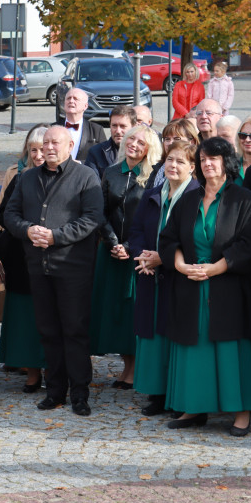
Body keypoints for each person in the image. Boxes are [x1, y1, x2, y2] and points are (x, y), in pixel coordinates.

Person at [159, 137, 251, 434]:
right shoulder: (188, 199)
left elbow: (250, 244)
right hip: (190, 283)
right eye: (203, 159)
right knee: (195, 349)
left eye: (213, 158)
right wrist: (180, 265)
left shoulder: (243, 199)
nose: (207, 164)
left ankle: (241, 412)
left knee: (231, 350)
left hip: (228, 285)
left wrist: (216, 268)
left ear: (226, 162)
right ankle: (194, 407)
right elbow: (168, 238)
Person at [5, 126, 104, 416]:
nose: (49, 147)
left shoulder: (86, 176)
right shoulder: (27, 178)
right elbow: (10, 214)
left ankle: (80, 393)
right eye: (45, 142)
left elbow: (92, 219)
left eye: (55, 142)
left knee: (74, 331)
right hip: (38, 266)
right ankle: (55, 391)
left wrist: (55, 236)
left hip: (73, 268)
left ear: (70, 145)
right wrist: (28, 230)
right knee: (48, 331)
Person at [129, 141, 199, 416]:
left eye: (181, 161)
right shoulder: (153, 193)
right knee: (152, 336)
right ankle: (156, 393)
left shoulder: (197, 195)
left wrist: (164, 258)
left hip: (179, 277)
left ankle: (175, 395)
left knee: (174, 334)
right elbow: (136, 230)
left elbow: (195, 238)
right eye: (170, 159)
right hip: (150, 274)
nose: (173, 165)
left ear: (192, 167)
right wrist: (142, 256)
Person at [90, 125, 161, 388]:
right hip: (110, 251)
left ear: (149, 148)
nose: (134, 144)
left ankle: (134, 369)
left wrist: (129, 246)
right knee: (115, 311)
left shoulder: (153, 175)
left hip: (138, 252)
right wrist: (113, 242)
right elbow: (100, 211)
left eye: (141, 142)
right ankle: (125, 366)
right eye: (132, 139)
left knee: (133, 310)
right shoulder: (111, 172)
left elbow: (150, 217)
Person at [0, 126, 49, 392]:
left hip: (54, 255)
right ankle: (32, 371)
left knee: (51, 316)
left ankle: (53, 368)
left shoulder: (69, 176)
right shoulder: (21, 178)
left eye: (43, 149)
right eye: (33, 150)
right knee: (26, 318)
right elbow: (4, 214)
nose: (38, 155)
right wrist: (26, 228)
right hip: (22, 258)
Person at [148, 119, 201, 191]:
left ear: (192, 142)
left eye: (177, 139)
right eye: (167, 139)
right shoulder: (158, 168)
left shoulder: (201, 171)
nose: (170, 143)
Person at [85, 105, 135, 178]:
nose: (118, 131)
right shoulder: (96, 152)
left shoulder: (142, 152)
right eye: (114, 125)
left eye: (122, 126)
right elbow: (92, 182)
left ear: (133, 127)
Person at [56, 88, 105, 161]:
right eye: (68, 98)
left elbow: (103, 159)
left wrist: (80, 164)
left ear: (85, 106)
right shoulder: (53, 128)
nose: (71, 101)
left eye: (75, 99)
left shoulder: (97, 130)